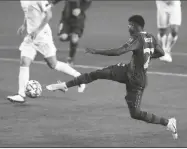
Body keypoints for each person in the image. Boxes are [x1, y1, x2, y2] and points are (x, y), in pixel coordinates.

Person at [46, 15, 178, 139]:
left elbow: (119, 51)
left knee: (135, 114)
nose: (128, 28)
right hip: (129, 72)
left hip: (136, 81)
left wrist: (97, 51)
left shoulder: (137, 38)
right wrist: (147, 56)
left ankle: (168, 123)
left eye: (129, 26)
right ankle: (64, 85)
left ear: (135, 25)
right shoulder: (151, 37)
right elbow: (161, 52)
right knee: (97, 74)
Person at [7, 0, 85, 103]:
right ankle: (21, 94)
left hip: (42, 36)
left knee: (53, 64)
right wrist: (24, 25)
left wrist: (37, 30)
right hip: (31, 36)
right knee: (24, 61)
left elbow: (49, 15)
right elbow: (28, 13)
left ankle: (79, 77)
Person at [58, 0, 92, 66]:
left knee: (74, 39)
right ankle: (73, 36)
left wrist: (80, 8)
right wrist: (51, 4)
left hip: (78, 19)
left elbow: (88, 1)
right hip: (66, 19)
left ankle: (70, 58)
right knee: (62, 37)